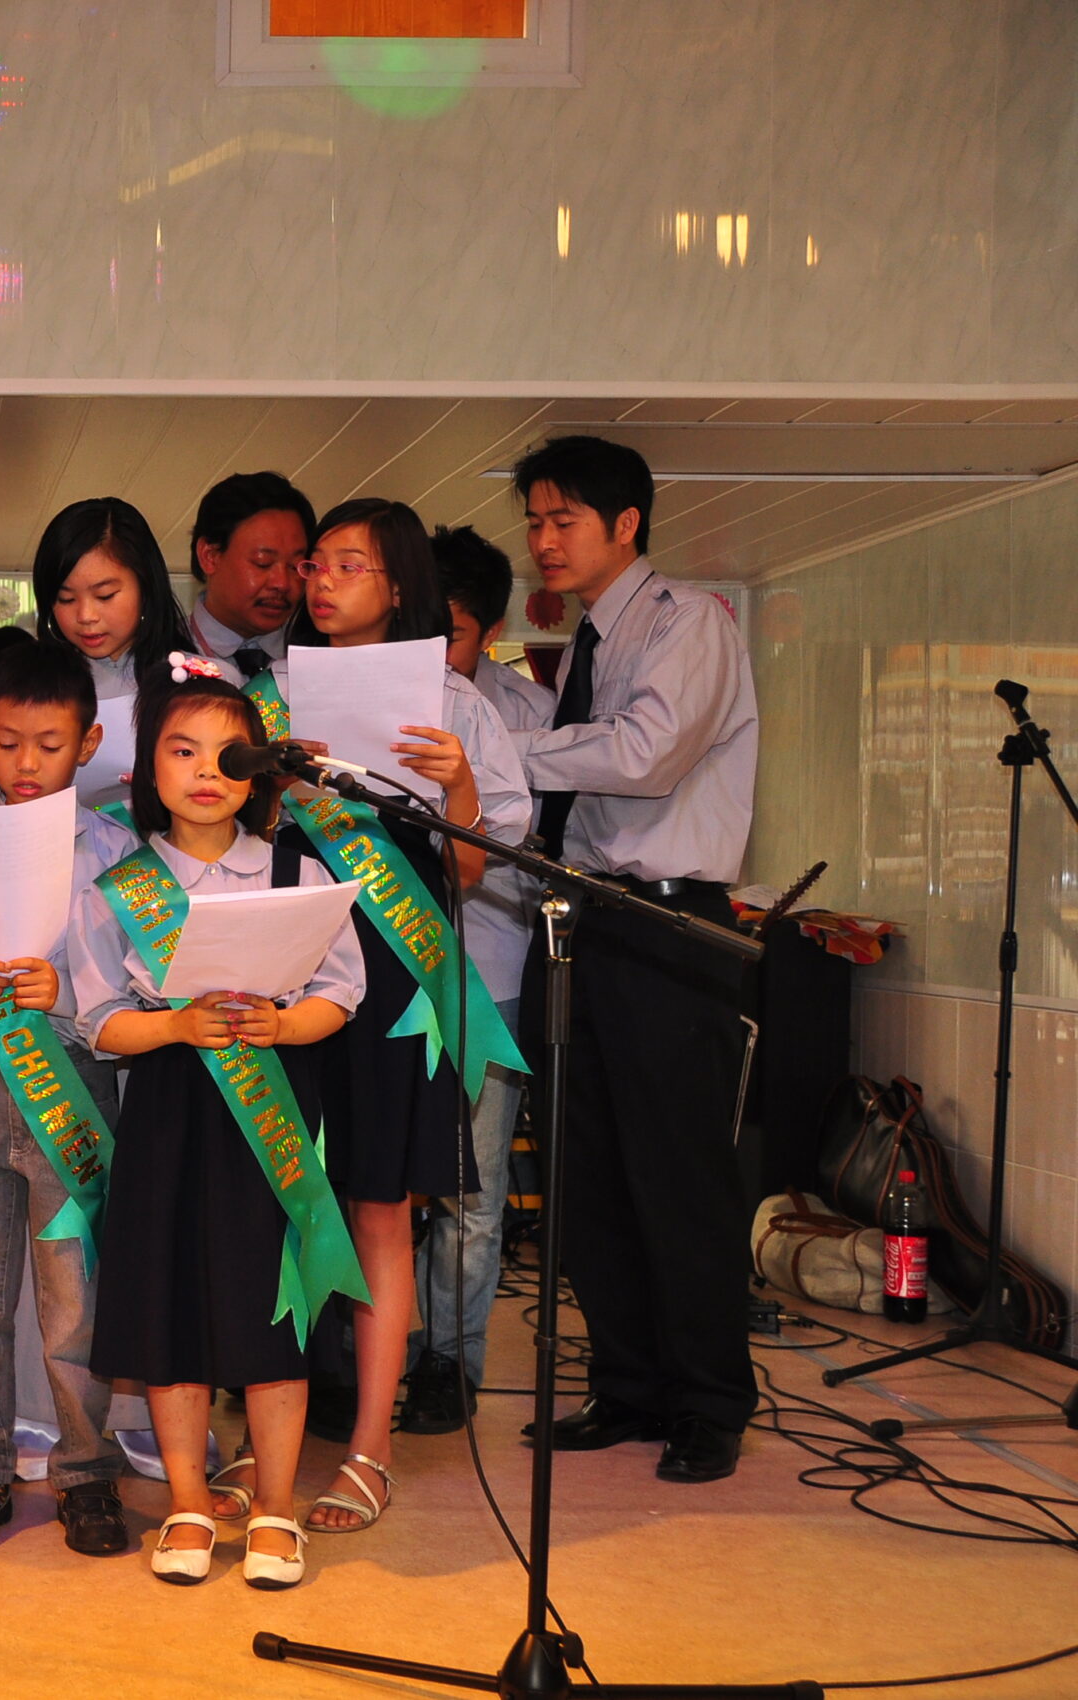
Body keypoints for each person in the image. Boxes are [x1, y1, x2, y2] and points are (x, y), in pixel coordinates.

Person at [71, 665, 366, 1588]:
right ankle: (191, 1502)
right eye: (182, 750)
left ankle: (274, 1508)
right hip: (169, 1113)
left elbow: (341, 992)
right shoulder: (118, 887)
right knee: (172, 1311)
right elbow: (97, 1018)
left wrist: (283, 1025)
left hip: (273, 1115)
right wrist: (173, 1027)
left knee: (273, 1311)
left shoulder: (299, 874)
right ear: (146, 767)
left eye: (227, 755)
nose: (205, 771)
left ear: (258, 771)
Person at [508, 435, 759, 1485]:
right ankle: (627, 1385)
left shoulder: (687, 621)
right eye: (534, 520)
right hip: (580, 921)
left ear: (625, 524)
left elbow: (645, 755)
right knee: (587, 1172)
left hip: (663, 927)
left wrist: (500, 752)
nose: (543, 538)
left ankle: (709, 1401)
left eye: (563, 518)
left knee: (677, 1174)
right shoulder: (586, 646)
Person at [281, 497, 530, 1534]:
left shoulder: (455, 704)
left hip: (391, 979)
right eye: (317, 562)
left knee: (380, 1208)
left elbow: (472, 871)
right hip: (288, 964)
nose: (323, 580)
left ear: (398, 585)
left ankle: (371, 1447)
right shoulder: (270, 692)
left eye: (350, 564)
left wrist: (458, 784)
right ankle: (273, 1424)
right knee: (285, 1193)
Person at [0, 641, 141, 1558]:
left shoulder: (118, 852)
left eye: (49, 745)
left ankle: (86, 1472)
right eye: (8, 742)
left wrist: (76, 995)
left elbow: (142, 985)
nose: (25, 763)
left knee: (74, 1297)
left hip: (72, 1084)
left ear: (87, 743)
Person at [401, 524, 555, 1435]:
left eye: (451, 633)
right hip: (386, 982)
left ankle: (450, 1361)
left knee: (470, 1190)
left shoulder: (523, 715)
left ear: (489, 631)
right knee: (384, 1187)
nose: (433, 649)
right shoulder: (368, 694)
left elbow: (519, 851)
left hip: (484, 975)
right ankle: (369, 1353)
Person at [30, 498, 193, 785]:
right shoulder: (30, 689)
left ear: (145, 585)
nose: (86, 616)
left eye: (105, 596)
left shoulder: (203, 680)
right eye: (65, 599)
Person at [185, 472, 313, 685]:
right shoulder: (156, 657)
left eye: (295, 566)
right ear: (210, 556)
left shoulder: (316, 658)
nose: (282, 583)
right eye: (263, 562)